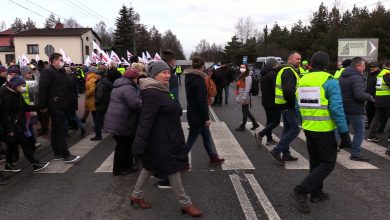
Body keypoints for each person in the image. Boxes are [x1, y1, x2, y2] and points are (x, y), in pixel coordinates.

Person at [131, 60, 203, 217]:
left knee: (149, 167)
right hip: (161, 140)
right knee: (173, 169)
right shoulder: (152, 93)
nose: (167, 75)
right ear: (155, 75)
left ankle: (136, 195)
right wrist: (138, 145)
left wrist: (172, 97)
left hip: (168, 136)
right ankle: (186, 203)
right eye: (163, 72)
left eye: (168, 72)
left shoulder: (163, 90)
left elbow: (175, 110)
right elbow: (145, 120)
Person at [292, 51, 352, 213]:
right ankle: (302, 190)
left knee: (315, 161)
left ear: (311, 63)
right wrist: (344, 133)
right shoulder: (329, 81)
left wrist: (304, 120)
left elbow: (297, 106)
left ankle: (316, 193)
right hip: (324, 129)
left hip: (308, 127)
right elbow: (336, 108)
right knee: (327, 163)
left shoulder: (303, 80)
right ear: (326, 65)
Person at [0, 76, 49, 172]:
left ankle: (8, 165)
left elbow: (25, 107)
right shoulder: (8, 98)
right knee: (25, 144)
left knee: (12, 145)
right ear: (16, 86)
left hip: (18, 125)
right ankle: (34, 163)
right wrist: (9, 130)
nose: (23, 88)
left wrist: (38, 107)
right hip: (14, 126)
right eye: (22, 86)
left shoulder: (16, 94)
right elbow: (4, 116)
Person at [38, 53, 80, 163]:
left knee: (56, 130)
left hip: (61, 104)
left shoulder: (60, 72)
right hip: (54, 105)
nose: (62, 62)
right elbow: (42, 89)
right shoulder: (48, 72)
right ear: (53, 60)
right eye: (60, 60)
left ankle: (58, 153)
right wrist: (43, 105)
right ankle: (65, 155)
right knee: (60, 129)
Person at [184, 56, 225, 167]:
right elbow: (201, 101)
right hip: (198, 115)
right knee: (191, 140)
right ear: (202, 67)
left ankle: (213, 157)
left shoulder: (189, 77)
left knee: (206, 136)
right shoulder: (200, 80)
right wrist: (206, 118)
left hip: (192, 112)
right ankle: (181, 161)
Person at [104, 68, 141, 176]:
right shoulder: (128, 88)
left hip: (118, 119)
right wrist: (145, 102)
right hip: (122, 120)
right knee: (122, 146)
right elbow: (134, 104)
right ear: (133, 78)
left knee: (126, 145)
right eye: (136, 78)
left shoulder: (119, 86)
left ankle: (127, 166)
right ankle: (119, 169)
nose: (137, 80)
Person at [269, 51, 301, 164]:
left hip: (284, 104)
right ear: (290, 60)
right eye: (297, 59)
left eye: (300, 59)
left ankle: (286, 154)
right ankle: (277, 150)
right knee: (296, 128)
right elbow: (288, 91)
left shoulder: (289, 70)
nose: (299, 61)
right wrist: (294, 103)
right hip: (288, 104)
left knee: (287, 128)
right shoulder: (288, 71)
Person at [339, 57, 372, 162]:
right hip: (355, 109)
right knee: (359, 132)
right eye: (363, 66)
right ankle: (355, 154)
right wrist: (369, 97)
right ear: (358, 66)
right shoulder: (356, 77)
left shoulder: (342, 76)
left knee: (341, 129)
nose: (364, 68)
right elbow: (359, 95)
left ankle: (332, 149)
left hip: (344, 107)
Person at [255, 58, 280, 146]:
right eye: (277, 64)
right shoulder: (273, 74)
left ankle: (269, 139)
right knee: (276, 121)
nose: (278, 65)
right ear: (273, 64)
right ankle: (261, 134)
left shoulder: (263, 74)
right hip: (273, 102)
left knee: (269, 121)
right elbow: (276, 89)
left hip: (265, 101)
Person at [367, 61, 390, 144]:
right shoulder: (387, 73)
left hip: (379, 99)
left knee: (377, 117)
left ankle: (371, 135)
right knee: (379, 117)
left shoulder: (381, 74)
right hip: (386, 100)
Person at [234, 64, 259, 131]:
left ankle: (243, 126)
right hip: (242, 95)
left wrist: (244, 98)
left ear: (246, 68)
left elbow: (247, 88)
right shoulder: (242, 75)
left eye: (243, 67)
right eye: (241, 67)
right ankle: (255, 123)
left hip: (245, 96)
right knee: (246, 111)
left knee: (245, 111)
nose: (241, 68)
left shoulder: (247, 77)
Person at [91, 70, 112, 141]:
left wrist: (96, 102)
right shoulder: (107, 82)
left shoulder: (100, 84)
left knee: (97, 121)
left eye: (96, 74)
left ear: (100, 76)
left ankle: (98, 136)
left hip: (101, 104)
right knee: (108, 119)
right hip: (106, 103)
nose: (95, 76)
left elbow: (99, 96)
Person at [64, 67, 85, 137]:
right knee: (74, 115)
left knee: (66, 116)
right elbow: (76, 90)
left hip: (66, 100)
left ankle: (66, 132)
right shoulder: (72, 80)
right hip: (73, 99)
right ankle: (82, 127)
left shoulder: (63, 80)